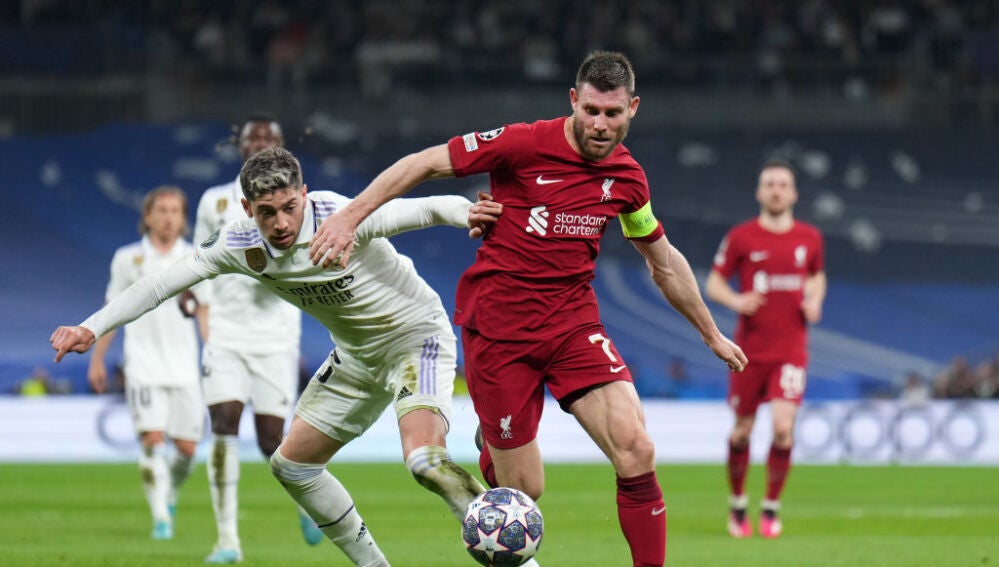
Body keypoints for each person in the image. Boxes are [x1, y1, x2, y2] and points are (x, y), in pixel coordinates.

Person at [306, 50, 748, 567]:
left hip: (572, 325)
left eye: (613, 113)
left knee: (636, 448)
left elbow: (663, 262)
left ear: (633, 109)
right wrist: (351, 218)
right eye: (591, 111)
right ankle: (494, 448)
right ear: (573, 102)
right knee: (524, 494)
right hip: (499, 333)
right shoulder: (521, 143)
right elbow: (424, 163)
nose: (601, 125)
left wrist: (710, 333)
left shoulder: (628, 180)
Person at [51, 147, 513, 567]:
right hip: (356, 357)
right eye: (267, 213)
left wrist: (466, 211)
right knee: (291, 465)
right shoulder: (238, 244)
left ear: (305, 195)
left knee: (424, 462)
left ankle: (516, 556)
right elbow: (158, 285)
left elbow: (422, 208)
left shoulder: (343, 216)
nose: (282, 224)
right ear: (248, 210)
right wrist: (91, 327)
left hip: (415, 337)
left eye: (290, 208)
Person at [193, 113, 314, 562]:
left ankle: (308, 502)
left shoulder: (295, 202)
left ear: (282, 147)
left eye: (269, 138)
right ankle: (227, 541)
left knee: (271, 442)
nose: (260, 143)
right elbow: (199, 260)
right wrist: (202, 317)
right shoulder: (215, 201)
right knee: (223, 422)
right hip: (225, 332)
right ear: (239, 146)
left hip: (276, 337)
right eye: (253, 138)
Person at [705, 159, 827, 539]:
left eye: (782, 184)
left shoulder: (810, 238)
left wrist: (815, 301)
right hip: (749, 352)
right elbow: (713, 283)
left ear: (793, 193)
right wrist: (737, 302)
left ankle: (771, 508)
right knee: (742, 432)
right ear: (759, 192)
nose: (776, 190)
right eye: (769, 184)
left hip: (791, 351)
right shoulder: (742, 237)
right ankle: (738, 502)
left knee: (783, 429)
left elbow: (817, 276)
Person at [86, 186, 208, 541]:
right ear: (148, 216)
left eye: (175, 211)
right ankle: (161, 519)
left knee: (186, 450)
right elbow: (112, 312)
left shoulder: (198, 257)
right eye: (162, 210)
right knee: (152, 440)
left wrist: (212, 352)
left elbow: (204, 310)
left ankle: (168, 493)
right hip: (142, 365)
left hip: (184, 367)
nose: (169, 217)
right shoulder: (128, 259)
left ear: (183, 219)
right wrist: (98, 358)